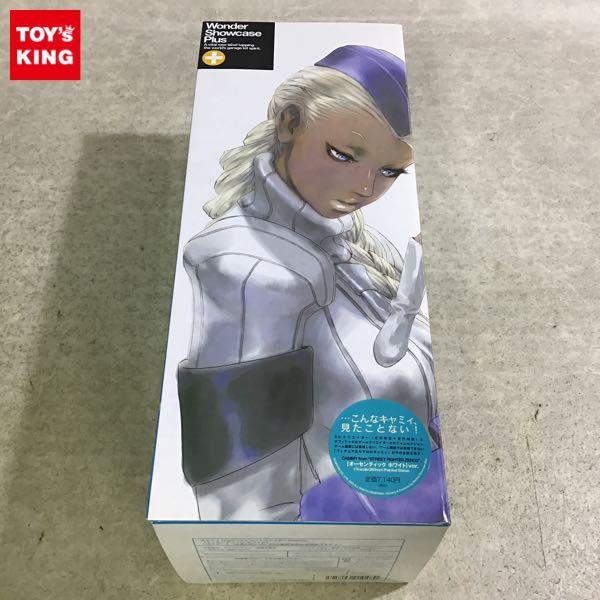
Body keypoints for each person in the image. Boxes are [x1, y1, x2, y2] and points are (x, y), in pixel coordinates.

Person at [177, 45, 444, 522]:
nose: (365, 188)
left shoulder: (364, 243)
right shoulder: (248, 270)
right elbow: (241, 501)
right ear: (290, 124)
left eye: (389, 171)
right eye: (343, 155)